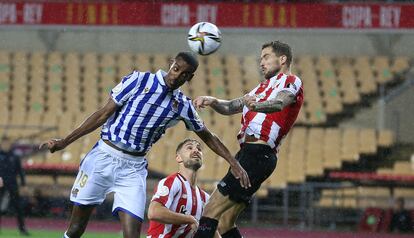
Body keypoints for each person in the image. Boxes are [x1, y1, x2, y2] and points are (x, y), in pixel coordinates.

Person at [40, 52, 250, 238]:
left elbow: (208, 136)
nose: (177, 75)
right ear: (171, 64)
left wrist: (234, 162)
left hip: (133, 169)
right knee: (76, 229)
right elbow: (103, 113)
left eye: (184, 74)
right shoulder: (139, 80)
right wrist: (64, 141)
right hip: (103, 156)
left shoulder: (182, 105)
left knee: (132, 234)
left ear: (190, 77)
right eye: (176, 69)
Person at [192, 41, 304, 238]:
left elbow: (279, 103)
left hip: (258, 154)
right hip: (250, 155)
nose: (261, 62)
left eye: (266, 57)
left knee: (210, 211)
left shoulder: (290, 81)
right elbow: (231, 107)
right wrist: (214, 101)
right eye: (261, 58)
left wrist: (256, 106)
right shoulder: (261, 87)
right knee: (225, 222)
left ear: (282, 59)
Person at [147, 138, 219, 238]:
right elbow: (154, 213)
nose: (196, 150)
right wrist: (189, 219)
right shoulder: (172, 182)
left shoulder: (205, 198)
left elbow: (211, 229)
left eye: (199, 149)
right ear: (178, 157)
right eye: (189, 147)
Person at [0, 136, 29, 236]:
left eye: (7, 143)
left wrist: (23, 184)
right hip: (0, 184)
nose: (6, 145)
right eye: (4, 143)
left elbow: (20, 171)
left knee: (18, 207)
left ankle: (22, 229)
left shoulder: (14, 156)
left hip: (12, 184)